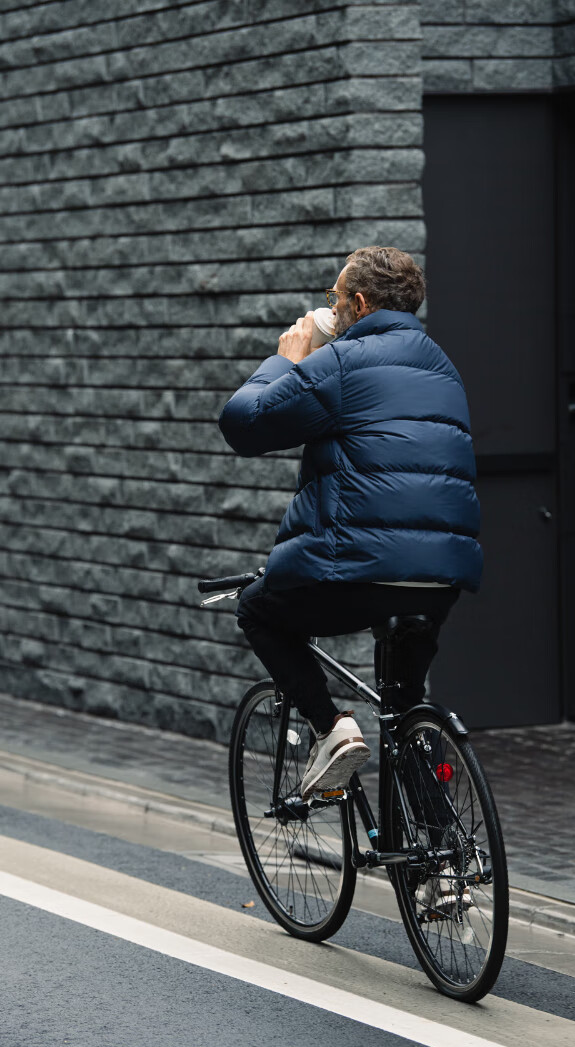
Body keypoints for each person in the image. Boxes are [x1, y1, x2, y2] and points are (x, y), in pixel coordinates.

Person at [218, 246, 482, 800]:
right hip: (440, 579)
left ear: (359, 304)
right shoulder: (443, 366)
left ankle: (330, 729)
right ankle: (440, 851)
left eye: (334, 299)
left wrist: (287, 360)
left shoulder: (341, 361)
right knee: (405, 710)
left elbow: (244, 424)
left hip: (358, 570)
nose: (331, 308)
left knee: (259, 610)